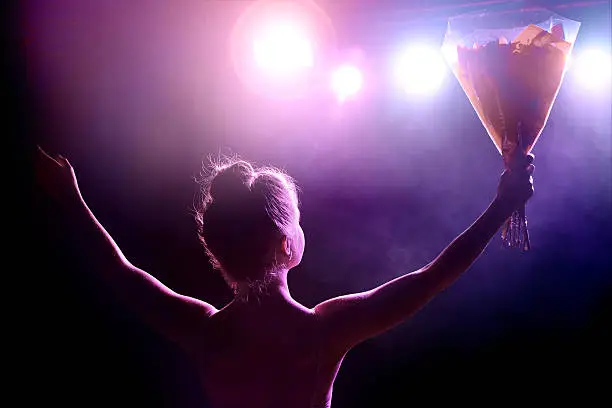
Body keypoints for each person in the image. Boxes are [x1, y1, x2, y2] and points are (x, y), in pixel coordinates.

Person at [35, 146, 534, 408]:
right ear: (283, 243)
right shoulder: (324, 331)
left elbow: (121, 275)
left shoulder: (207, 333)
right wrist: (501, 206)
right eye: (296, 219)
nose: (301, 227)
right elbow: (433, 277)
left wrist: (73, 202)